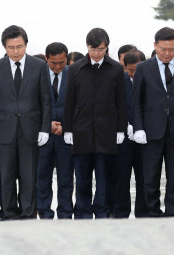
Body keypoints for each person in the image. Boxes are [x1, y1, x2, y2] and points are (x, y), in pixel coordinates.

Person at [0, 25, 52, 220]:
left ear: (26, 45)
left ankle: (28, 213)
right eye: (11, 47)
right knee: (6, 176)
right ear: (4, 47)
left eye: (19, 46)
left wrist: (44, 129)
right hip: (4, 130)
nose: (16, 51)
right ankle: (8, 213)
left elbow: (45, 100)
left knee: (28, 176)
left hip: (30, 130)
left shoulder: (39, 66)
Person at [132, 27, 174, 217]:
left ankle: (172, 213)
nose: (167, 53)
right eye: (163, 49)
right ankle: (152, 212)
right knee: (150, 177)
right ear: (155, 46)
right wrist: (138, 128)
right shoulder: (143, 68)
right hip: (151, 131)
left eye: (171, 49)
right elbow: (136, 101)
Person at [63, 28, 127, 219]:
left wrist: (120, 129)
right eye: (93, 49)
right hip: (81, 131)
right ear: (87, 47)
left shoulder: (116, 69)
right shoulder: (75, 68)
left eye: (100, 49)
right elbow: (69, 102)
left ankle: (101, 211)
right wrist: (68, 129)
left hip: (106, 132)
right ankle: (82, 212)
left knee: (103, 178)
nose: (96, 53)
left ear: (107, 48)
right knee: (82, 178)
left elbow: (121, 102)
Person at [36, 42, 74, 219]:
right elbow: (31, 105)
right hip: (43, 135)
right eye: (53, 63)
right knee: (42, 176)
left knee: (66, 177)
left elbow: (80, 105)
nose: (58, 66)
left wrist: (66, 127)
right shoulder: (37, 74)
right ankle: (44, 211)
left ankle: (65, 212)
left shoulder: (73, 74)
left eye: (62, 62)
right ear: (46, 59)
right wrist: (45, 124)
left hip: (65, 135)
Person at [110, 49, 148, 219]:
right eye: (130, 70)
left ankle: (143, 211)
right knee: (121, 177)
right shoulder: (118, 81)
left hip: (144, 137)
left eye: (137, 69)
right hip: (123, 137)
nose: (133, 73)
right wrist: (124, 125)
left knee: (145, 177)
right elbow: (113, 106)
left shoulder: (150, 81)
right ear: (124, 68)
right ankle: (120, 212)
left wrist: (141, 126)